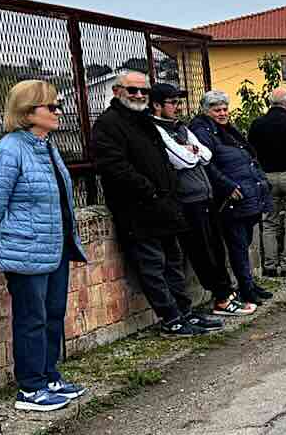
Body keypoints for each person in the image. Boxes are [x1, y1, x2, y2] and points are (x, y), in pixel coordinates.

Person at [0, 80, 89, 411]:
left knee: (52, 314)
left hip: (54, 248)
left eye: (58, 105)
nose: (58, 112)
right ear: (27, 111)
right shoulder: (7, 152)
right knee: (31, 318)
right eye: (51, 107)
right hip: (24, 251)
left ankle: (49, 375)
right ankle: (31, 388)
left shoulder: (46, 146)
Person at [90, 70, 223, 337]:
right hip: (137, 208)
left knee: (173, 262)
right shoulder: (109, 123)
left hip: (164, 205)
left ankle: (184, 312)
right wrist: (148, 191)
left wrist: (167, 191)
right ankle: (170, 318)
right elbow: (114, 166)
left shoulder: (144, 121)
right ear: (117, 92)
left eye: (144, 91)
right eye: (132, 90)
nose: (139, 95)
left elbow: (165, 160)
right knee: (152, 266)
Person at [149, 83, 257, 318]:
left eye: (179, 102)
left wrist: (192, 150)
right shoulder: (156, 129)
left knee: (216, 249)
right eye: (173, 102)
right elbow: (184, 160)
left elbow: (205, 155)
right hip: (188, 199)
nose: (178, 107)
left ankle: (226, 294)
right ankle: (221, 297)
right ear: (157, 105)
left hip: (205, 195)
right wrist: (191, 151)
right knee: (202, 252)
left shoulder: (181, 127)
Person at [189, 90, 274, 308]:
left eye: (225, 109)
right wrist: (226, 186)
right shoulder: (202, 130)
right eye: (217, 110)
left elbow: (248, 158)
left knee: (244, 243)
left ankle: (249, 284)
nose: (222, 113)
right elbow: (207, 162)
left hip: (247, 192)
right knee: (237, 244)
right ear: (206, 111)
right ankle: (245, 288)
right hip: (230, 197)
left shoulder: (228, 130)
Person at [247, 87, 286, 278]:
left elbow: (250, 152)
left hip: (266, 176)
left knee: (269, 222)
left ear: (269, 103)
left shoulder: (257, 124)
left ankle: (269, 265)